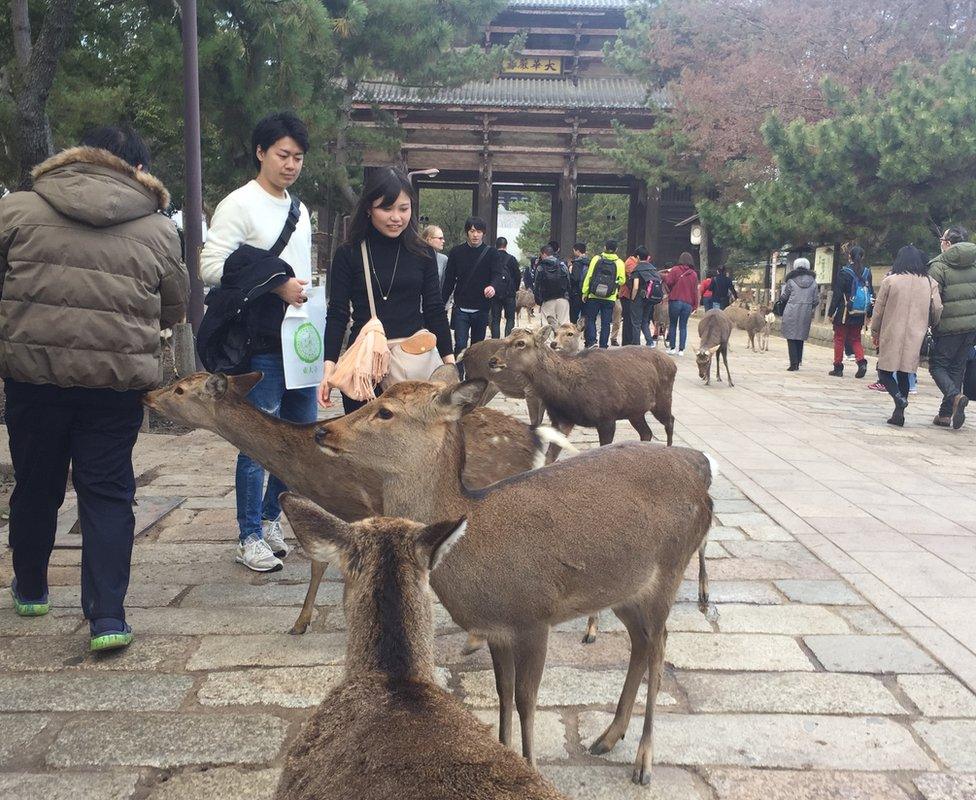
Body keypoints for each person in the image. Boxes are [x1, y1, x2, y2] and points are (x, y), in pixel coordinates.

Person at [0, 125, 188, 650]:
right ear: (136, 168)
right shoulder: (156, 228)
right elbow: (175, 303)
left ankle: (33, 589)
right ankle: (108, 617)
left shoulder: (17, 209)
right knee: (107, 492)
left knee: (36, 482)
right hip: (115, 382)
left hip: (33, 375)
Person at [201, 112, 318, 572]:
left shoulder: (300, 209)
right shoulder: (239, 204)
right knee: (257, 441)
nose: (291, 165)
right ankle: (248, 533)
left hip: (299, 338)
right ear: (261, 153)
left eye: (298, 158)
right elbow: (211, 267)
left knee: (298, 438)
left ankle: (271, 517)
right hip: (258, 340)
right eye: (283, 155)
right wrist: (275, 283)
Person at [320, 168, 454, 409]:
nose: (396, 217)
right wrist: (329, 368)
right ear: (369, 208)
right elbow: (338, 313)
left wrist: (450, 365)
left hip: (412, 364)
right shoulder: (348, 253)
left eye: (404, 209)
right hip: (364, 367)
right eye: (386, 208)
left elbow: (435, 310)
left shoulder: (423, 254)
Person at [870, 246, 942, 426]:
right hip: (916, 333)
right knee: (905, 372)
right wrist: (932, 322)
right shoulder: (929, 282)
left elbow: (879, 310)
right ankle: (899, 414)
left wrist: (875, 330)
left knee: (884, 371)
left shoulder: (890, 280)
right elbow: (937, 308)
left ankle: (898, 398)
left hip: (892, 330)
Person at [928, 225, 976, 429]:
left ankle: (955, 396)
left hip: (947, 326)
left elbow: (932, 299)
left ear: (948, 243)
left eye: (942, 239)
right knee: (957, 368)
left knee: (937, 365)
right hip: (970, 327)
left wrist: (930, 322)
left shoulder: (938, 265)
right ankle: (945, 415)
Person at [442, 216, 506, 356]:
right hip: (461, 308)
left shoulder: (492, 253)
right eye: (472, 231)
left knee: (477, 347)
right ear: (467, 232)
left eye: (478, 231)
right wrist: (441, 302)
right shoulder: (456, 252)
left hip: (481, 308)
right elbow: (449, 280)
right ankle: (459, 374)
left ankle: (473, 376)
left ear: (484, 233)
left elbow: (497, 275)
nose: (475, 235)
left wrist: (493, 287)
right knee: (460, 345)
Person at [827, 245, 872, 378]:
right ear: (862, 257)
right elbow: (870, 294)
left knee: (839, 338)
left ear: (849, 257)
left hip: (844, 311)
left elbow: (837, 294)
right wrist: (869, 313)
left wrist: (831, 312)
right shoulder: (867, 272)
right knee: (856, 338)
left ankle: (838, 367)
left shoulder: (844, 272)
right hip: (859, 312)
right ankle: (861, 362)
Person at [581, 238, 626, 348]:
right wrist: (614, 283)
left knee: (591, 319)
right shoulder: (619, 262)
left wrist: (585, 292)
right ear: (616, 249)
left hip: (593, 295)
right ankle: (603, 345)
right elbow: (622, 280)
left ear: (604, 248)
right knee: (606, 323)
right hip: (609, 297)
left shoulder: (596, 259)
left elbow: (589, 276)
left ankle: (591, 342)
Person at [779, 257, 819, 371]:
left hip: (791, 310)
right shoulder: (814, 282)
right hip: (805, 312)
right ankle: (799, 360)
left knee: (791, 336)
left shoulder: (791, 281)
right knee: (800, 336)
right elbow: (816, 300)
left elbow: (784, 297)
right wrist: (808, 307)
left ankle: (793, 363)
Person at [663, 251, 699, 355]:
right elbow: (695, 291)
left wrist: (664, 276)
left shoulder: (675, 270)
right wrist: (695, 305)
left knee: (673, 324)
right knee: (683, 326)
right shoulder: (694, 274)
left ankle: (672, 348)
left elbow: (669, 282)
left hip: (675, 300)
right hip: (688, 303)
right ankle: (681, 350)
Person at [629, 249, 662, 346]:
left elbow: (635, 286)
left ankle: (636, 345)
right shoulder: (653, 269)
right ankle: (650, 342)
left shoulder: (637, 269)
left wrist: (632, 298)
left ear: (638, 257)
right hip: (650, 299)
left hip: (639, 298)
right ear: (647, 257)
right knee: (645, 321)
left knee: (636, 323)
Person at [533, 243, 571, 325]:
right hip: (562, 299)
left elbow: (536, 286)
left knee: (548, 326)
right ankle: (564, 338)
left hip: (547, 300)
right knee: (564, 325)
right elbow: (568, 282)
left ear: (544, 254)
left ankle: (550, 338)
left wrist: (539, 301)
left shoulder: (540, 267)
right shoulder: (562, 265)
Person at [490, 236, 521, 338]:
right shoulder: (512, 259)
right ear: (506, 246)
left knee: (495, 319)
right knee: (510, 318)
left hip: (495, 293)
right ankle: (508, 340)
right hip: (509, 294)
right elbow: (517, 276)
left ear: (496, 246)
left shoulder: (492, 258)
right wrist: (514, 289)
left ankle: (495, 341)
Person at [618, 248, 644, 345]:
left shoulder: (634, 263)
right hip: (627, 295)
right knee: (628, 319)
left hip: (631, 295)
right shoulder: (630, 263)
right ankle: (626, 342)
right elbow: (634, 278)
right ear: (638, 256)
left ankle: (630, 341)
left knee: (631, 319)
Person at [421, 224, 448, 289]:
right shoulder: (416, 257)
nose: (443, 241)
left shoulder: (443, 259)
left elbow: (443, 285)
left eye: (443, 238)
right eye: (440, 238)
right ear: (429, 239)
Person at [569, 241, 588, 323]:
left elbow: (575, 279)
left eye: (574, 250)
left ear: (577, 251)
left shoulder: (577, 263)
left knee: (573, 316)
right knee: (584, 317)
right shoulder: (590, 262)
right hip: (587, 293)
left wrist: (569, 272)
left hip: (576, 293)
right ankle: (584, 334)